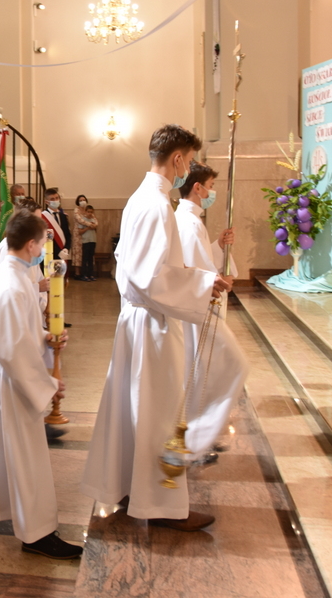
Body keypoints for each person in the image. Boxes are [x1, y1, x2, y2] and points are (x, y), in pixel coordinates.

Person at [81, 124, 231, 531]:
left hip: (142, 320)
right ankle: (162, 507)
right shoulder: (154, 204)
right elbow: (150, 278)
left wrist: (196, 279)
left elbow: (150, 271)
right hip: (153, 324)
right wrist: (203, 282)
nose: (189, 170)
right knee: (158, 416)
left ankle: (133, 489)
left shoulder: (143, 199)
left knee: (137, 411)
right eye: (189, 161)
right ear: (178, 159)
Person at [0, 210, 82, 560]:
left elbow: (18, 331)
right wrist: (47, 385)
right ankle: (38, 534)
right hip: (11, 375)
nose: (43, 251)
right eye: (42, 244)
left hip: (4, 371)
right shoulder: (9, 284)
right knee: (27, 455)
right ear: (32, 243)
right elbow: (10, 347)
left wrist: (46, 336)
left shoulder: (17, 274)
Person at [175, 161, 249, 458]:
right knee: (223, 367)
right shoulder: (189, 222)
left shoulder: (189, 218)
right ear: (198, 188)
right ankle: (197, 435)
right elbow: (195, 271)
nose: (213, 192)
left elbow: (200, 259)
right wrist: (219, 280)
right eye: (212, 186)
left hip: (197, 307)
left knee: (210, 370)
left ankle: (201, 432)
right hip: (198, 311)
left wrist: (217, 246)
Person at [41, 188, 72, 274]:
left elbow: (68, 235)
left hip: (63, 253)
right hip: (50, 254)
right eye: (52, 199)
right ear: (46, 202)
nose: (55, 200)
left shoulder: (63, 216)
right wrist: (58, 252)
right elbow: (45, 238)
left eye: (57, 198)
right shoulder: (43, 217)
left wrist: (66, 248)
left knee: (60, 283)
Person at [77, 204, 99, 281]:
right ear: (85, 212)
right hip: (86, 241)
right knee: (85, 259)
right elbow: (80, 232)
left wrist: (93, 226)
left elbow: (95, 227)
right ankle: (84, 275)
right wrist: (88, 228)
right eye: (88, 212)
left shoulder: (94, 220)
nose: (90, 213)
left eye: (91, 212)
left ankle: (91, 274)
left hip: (93, 240)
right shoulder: (83, 220)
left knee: (90, 259)